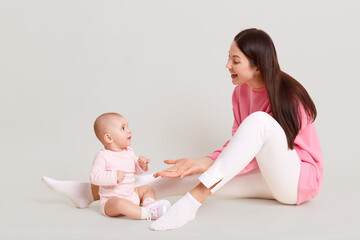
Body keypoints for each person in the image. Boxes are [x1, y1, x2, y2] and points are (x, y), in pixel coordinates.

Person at [42, 28, 322, 231]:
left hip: (296, 184)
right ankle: (89, 192)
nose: (227, 65)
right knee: (183, 176)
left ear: (257, 65)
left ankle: (191, 205)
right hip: (266, 177)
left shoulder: (289, 94)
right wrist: (199, 164)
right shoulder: (240, 93)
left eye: (235, 60)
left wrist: (206, 163)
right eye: (229, 57)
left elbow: (258, 140)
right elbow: (241, 144)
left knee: (258, 123)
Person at [45, 112, 171, 220]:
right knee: (121, 204)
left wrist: (141, 165)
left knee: (147, 189)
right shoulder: (103, 156)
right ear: (109, 138)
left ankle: (150, 204)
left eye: (127, 126)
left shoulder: (129, 151)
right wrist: (113, 176)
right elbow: (94, 177)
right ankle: (147, 214)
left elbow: (135, 171)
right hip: (111, 200)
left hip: (130, 194)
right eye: (123, 128)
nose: (129, 130)